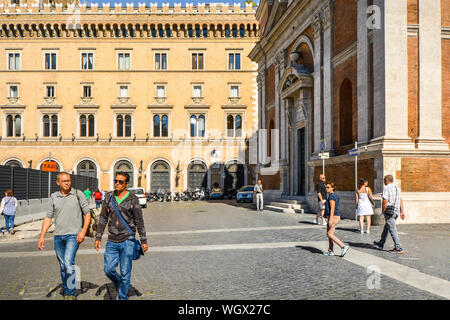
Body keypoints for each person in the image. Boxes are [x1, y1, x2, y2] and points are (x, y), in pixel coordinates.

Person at [38, 172, 92, 300]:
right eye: (64, 181)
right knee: (62, 266)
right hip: (58, 236)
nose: (67, 183)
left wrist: (83, 231)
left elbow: (87, 214)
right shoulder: (53, 197)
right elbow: (48, 218)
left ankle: (71, 293)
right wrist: (42, 237)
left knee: (68, 263)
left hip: (73, 236)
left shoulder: (78, 194)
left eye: (68, 180)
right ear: (58, 183)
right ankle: (67, 289)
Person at [95, 172, 148, 300]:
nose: (117, 184)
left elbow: (139, 221)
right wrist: (98, 237)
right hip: (112, 240)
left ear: (126, 184)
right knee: (108, 270)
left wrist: (143, 240)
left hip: (127, 240)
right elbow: (103, 218)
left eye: (120, 182)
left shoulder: (133, 199)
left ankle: (123, 297)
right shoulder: (108, 197)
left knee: (125, 272)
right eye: (116, 181)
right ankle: (121, 284)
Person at [373, 175, 405, 254]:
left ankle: (398, 247)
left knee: (392, 229)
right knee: (387, 227)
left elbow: (385, 201)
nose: (384, 182)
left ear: (386, 181)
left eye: (384, 181)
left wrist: (383, 211)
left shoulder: (386, 188)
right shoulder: (397, 188)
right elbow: (400, 200)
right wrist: (402, 211)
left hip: (389, 212)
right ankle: (381, 243)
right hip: (396, 211)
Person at [323, 183, 350, 257]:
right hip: (332, 216)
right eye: (326, 187)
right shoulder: (332, 196)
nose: (326, 188)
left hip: (334, 216)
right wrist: (326, 214)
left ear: (332, 188)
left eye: (328, 187)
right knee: (329, 234)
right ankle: (330, 251)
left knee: (329, 234)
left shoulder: (332, 196)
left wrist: (330, 219)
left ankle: (343, 246)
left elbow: (332, 208)